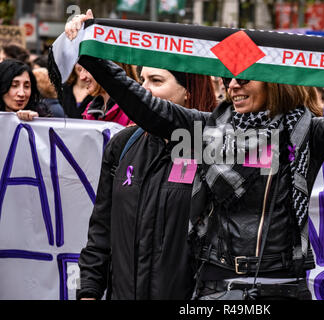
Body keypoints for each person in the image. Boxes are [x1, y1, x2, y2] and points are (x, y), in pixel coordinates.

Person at [65, 11, 324, 300]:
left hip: (282, 284)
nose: (233, 86)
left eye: (243, 78)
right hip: (217, 284)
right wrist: (94, 52)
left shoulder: (309, 133)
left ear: (274, 81)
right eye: (229, 79)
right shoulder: (206, 130)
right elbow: (145, 106)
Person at [76, 67, 218, 300]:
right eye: (142, 80)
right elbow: (100, 232)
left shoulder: (218, 150)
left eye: (156, 81)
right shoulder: (123, 145)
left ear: (188, 92)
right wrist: (88, 291)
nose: (144, 89)